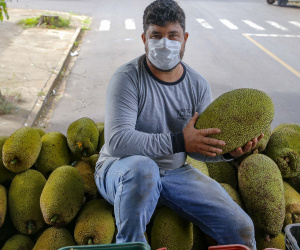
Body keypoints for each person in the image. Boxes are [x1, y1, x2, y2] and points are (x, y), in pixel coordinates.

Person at [95, 0, 262, 249]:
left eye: (172, 35)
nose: (165, 43)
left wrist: (227, 152)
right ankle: (128, 245)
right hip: (121, 170)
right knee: (143, 168)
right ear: (144, 38)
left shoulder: (197, 84)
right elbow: (118, 142)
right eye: (156, 35)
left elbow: (197, 145)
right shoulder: (127, 78)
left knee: (241, 228)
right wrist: (179, 140)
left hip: (175, 173)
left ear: (184, 38)